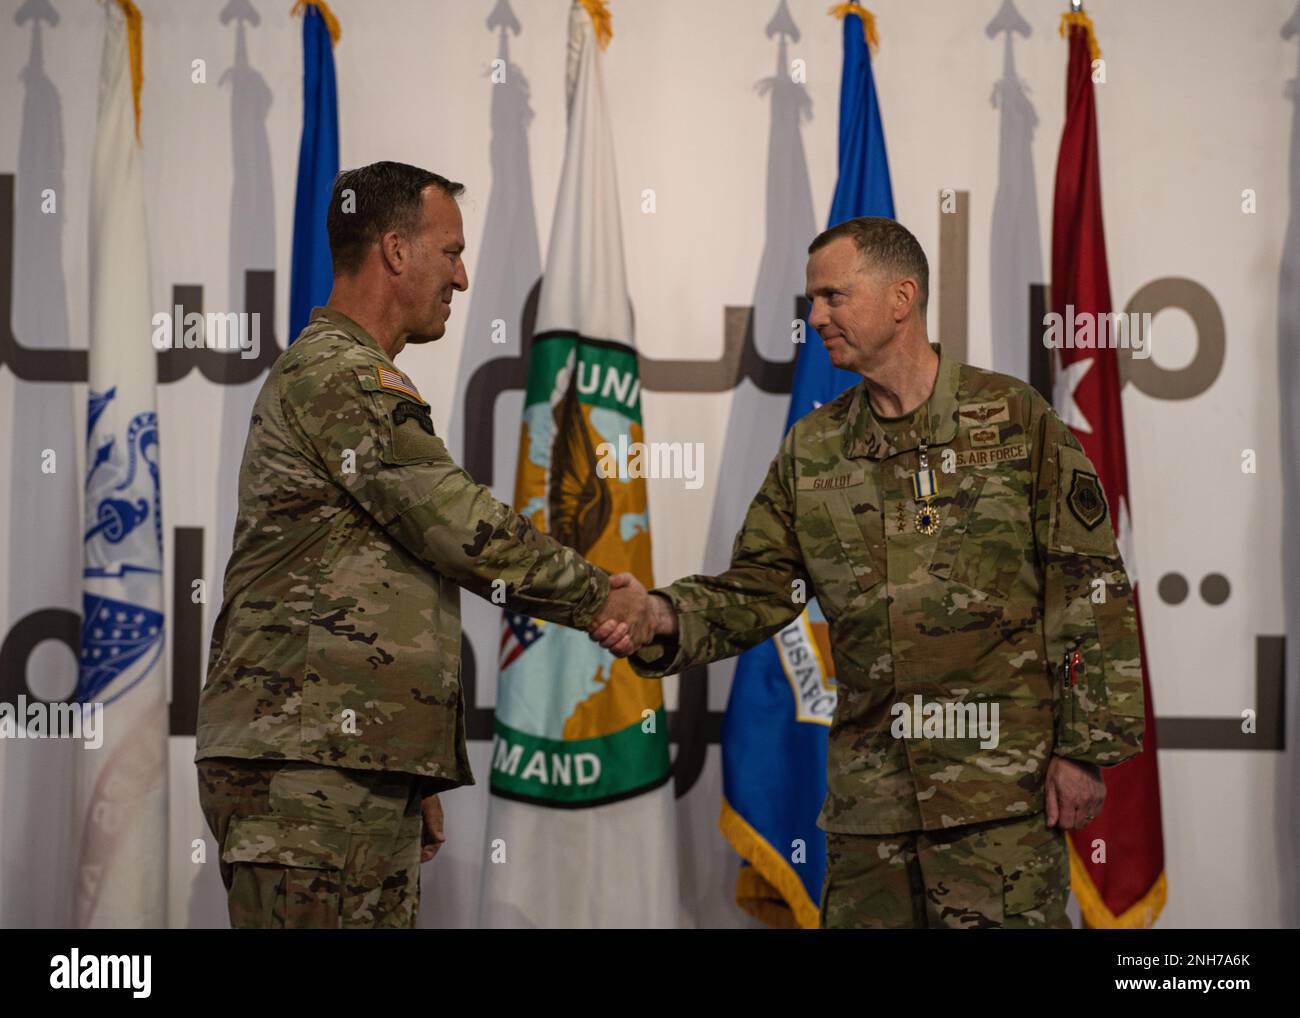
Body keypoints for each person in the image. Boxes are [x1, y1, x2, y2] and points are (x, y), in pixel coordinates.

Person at [591, 216, 1145, 929]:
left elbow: (1089, 588)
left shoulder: (1014, 421)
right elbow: (761, 587)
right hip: (869, 814)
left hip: (998, 806)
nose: (815, 317)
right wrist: (661, 615)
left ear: (901, 297)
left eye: (833, 296)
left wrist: (1084, 750)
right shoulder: (814, 450)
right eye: (812, 300)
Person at [196, 161, 653, 929]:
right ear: (397, 251)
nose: (464, 277)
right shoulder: (339, 376)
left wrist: (409, 764)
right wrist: (603, 597)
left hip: (348, 762)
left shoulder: (348, 374)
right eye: (450, 252)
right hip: (310, 769)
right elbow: (457, 525)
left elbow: (381, 579)